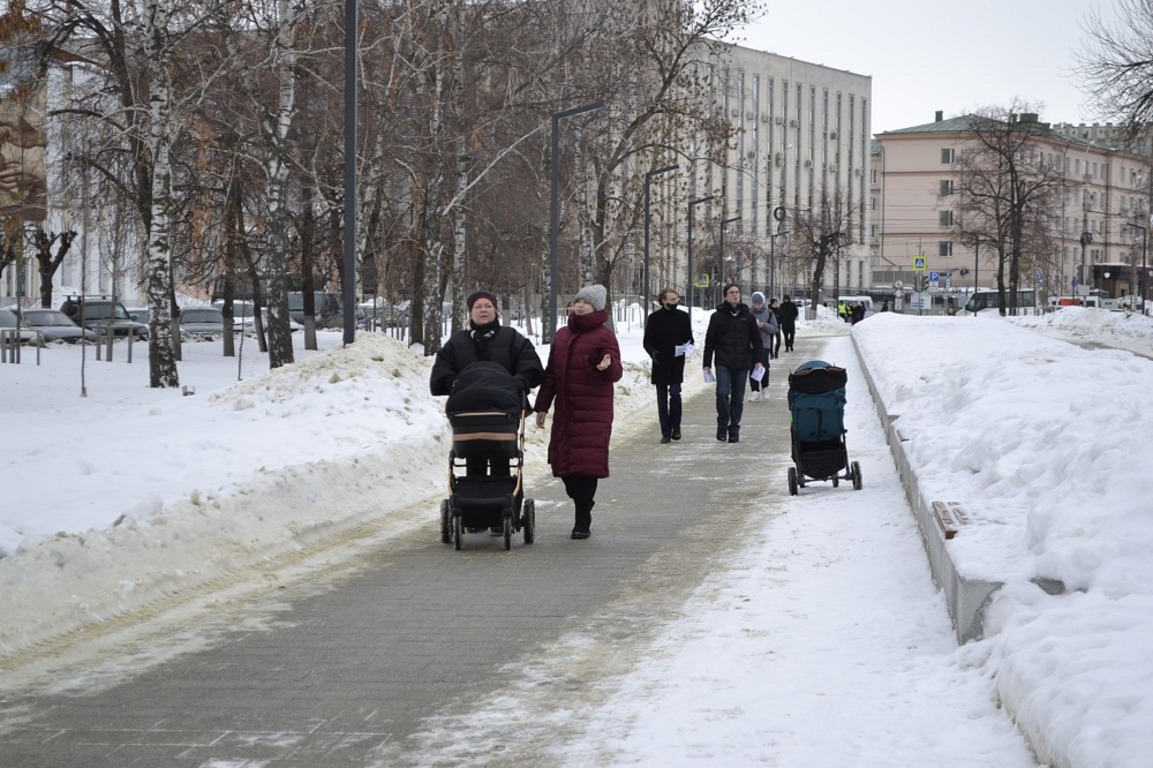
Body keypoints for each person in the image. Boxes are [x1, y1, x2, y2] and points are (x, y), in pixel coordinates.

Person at [430, 289, 544, 531]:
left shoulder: (512, 338)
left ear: (495, 311)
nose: (483, 310)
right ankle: (474, 515)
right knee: (474, 458)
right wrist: (457, 384)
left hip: (504, 414)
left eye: (488, 306)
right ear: (470, 312)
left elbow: (531, 366)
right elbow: (441, 372)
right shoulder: (458, 342)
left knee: (503, 457)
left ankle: (502, 511)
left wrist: (519, 382)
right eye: (478, 307)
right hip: (469, 416)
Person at [534, 284, 623, 539]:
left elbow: (616, 372)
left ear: (597, 307)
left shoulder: (604, 336)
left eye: (587, 302)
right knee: (564, 466)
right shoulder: (561, 335)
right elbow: (551, 373)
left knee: (586, 466)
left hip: (593, 411)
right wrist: (542, 406)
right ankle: (581, 500)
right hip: (565, 411)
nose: (581, 305)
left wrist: (607, 366)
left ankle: (582, 516)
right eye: (578, 301)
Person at [703, 283, 766, 443]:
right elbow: (709, 341)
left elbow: (757, 341)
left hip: (742, 362)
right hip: (723, 361)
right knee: (722, 393)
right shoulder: (717, 316)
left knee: (738, 397)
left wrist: (758, 360)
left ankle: (734, 428)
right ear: (725, 296)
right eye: (731, 292)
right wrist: (707, 363)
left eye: (737, 292)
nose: (735, 295)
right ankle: (722, 424)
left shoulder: (748, 316)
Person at [643, 288, 694, 443]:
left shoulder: (683, 317)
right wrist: (653, 353)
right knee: (661, 398)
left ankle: (676, 427)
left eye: (676, 299)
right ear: (663, 301)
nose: (675, 302)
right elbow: (647, 341)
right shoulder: (654, 318)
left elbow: (689, 338)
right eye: (671, 300)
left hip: (677, 361)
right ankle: (665, 431)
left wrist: (688, 346)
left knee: (675, 394)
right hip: (660, 362)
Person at [747, 291, 777, 402]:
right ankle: (755, 391)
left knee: (763, 366)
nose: (757, 306)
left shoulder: (769, 313)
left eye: (759, 304)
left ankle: (765, 387)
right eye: (755, 304)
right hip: (751, 345)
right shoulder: (748, 313)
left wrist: (763, 325)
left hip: (764, 344)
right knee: (751, 366)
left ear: (763, 303)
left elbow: (775, 328)